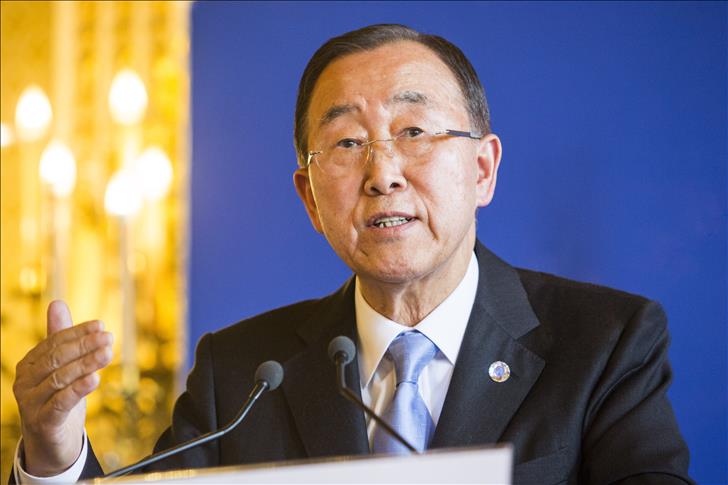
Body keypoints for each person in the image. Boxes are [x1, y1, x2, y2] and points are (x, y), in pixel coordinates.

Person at [12, 24, 693, 484]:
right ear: (310, 198)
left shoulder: (605, 343)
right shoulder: (241, 373)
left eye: (414, 131)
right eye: (346, 143)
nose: (383, 172)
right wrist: (53, 452)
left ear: (483, 170)